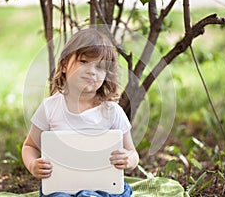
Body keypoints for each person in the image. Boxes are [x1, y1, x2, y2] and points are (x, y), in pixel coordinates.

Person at [22, 28, 139, 197]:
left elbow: (133, 153)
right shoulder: (50, 107)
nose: (92, 71)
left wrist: (127, 159)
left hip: (103, 188)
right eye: (84, 61)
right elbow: (29, 146)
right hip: (60, 187)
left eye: (100, 67)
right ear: (64, 65)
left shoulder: (112, 111)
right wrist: (33, 165)